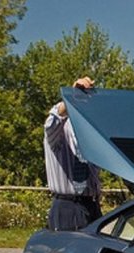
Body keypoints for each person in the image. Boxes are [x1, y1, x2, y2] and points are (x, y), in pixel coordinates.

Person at [44, 76, 102, 230]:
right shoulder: (60, 129)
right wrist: (73, 95)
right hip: (67, 206)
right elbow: (52, 120)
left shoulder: (94, 129)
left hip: (92, 205)